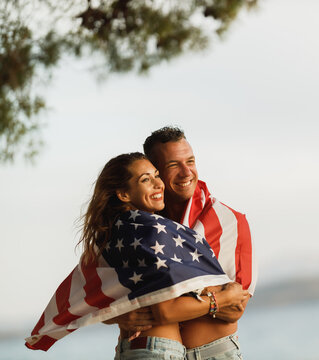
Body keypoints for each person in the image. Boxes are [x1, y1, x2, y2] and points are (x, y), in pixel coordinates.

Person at [25, 152, 250, 359]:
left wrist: (115, 315)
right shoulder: (149, 231)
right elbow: (165, 311)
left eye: (156, 175)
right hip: (157, 350)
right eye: (145, 179)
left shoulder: (118, 232)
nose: (157, 183)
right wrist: (222, 299)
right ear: (123, 194)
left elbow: (116, 297)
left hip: (153, 348)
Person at [140, 126, 258, 360]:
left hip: (213, 353)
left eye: (190, 161)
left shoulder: (227, 221)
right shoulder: (139, 225)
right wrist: (212, 293)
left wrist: (161, 302)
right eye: (173, 165)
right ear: (154, 172)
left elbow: (235, 309)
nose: (186, 173)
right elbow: (113, 299)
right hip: (153, 352)